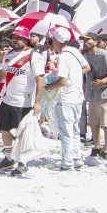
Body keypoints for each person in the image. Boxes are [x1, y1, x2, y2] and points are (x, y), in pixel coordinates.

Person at [0, 26, 45, 176]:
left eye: (19, 37)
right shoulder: (9, 54)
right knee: (4, 129)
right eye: (14, 37)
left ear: (26, 39)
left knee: (22, 133)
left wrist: (38, 102)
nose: (15, 39)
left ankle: (23, 162)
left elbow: (40, 79)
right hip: (8, 99)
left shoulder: (34, 56)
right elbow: (3, 74)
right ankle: (8, 158)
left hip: (25, 102)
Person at [45, 28, 85, 170]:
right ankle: (77, 158)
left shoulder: (63, 57)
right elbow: (86, 67)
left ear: (56, 41)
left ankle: (67, 162)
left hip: (66, 98)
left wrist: (48, 87)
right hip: (78, 96)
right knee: (74, 130)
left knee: (66, 132)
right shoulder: (75, 52)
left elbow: (62, 81)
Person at [80, 32, 107, 160]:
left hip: (105, 92)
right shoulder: (85, 55)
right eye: (84, 40)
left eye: (88, 40)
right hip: (91, 92)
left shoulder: (105, 55)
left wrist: (103, 81)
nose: (85, 42)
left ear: (95, 41)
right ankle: (96, 146)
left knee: (106, 122)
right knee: (93, 121)